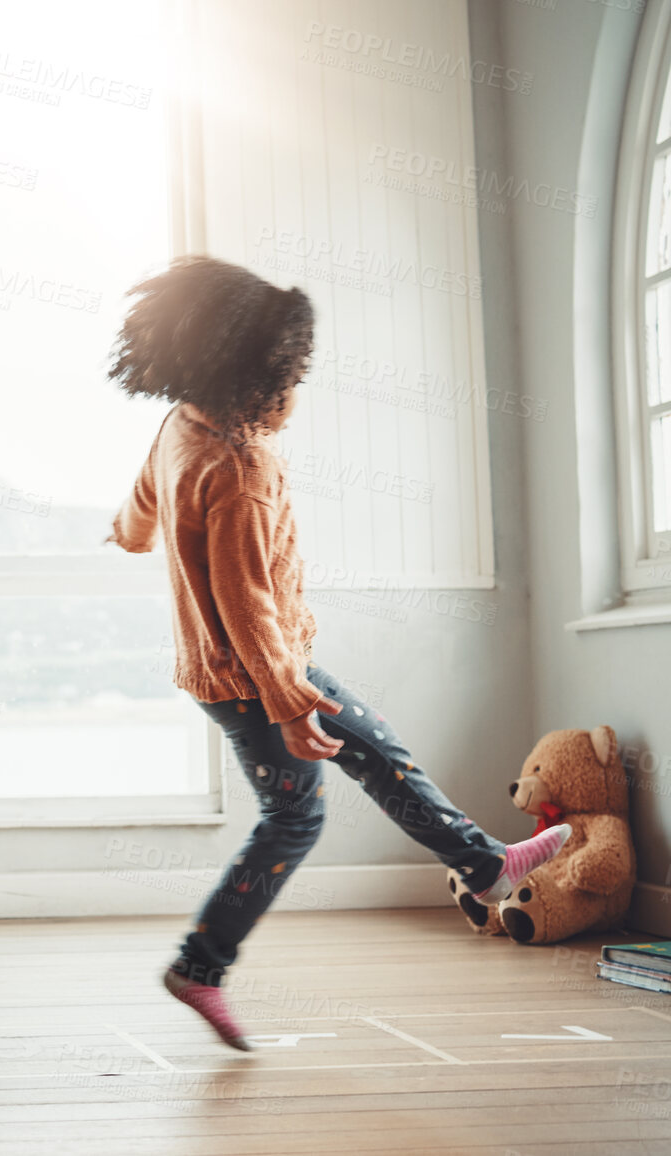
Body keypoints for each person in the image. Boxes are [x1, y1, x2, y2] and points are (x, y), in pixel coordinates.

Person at [103, 256, 569, 1050]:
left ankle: (487, 865)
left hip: (244, 672)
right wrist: (287, 705)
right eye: (289, 382)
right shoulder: (240, 469)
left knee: (376, 750)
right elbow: (249, 608)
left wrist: (130, 532)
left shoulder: (182, 425)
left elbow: (146, 499)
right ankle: (201, 966)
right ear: (251, 384)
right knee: (295, 819)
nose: (294, 397)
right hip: (255, 674)